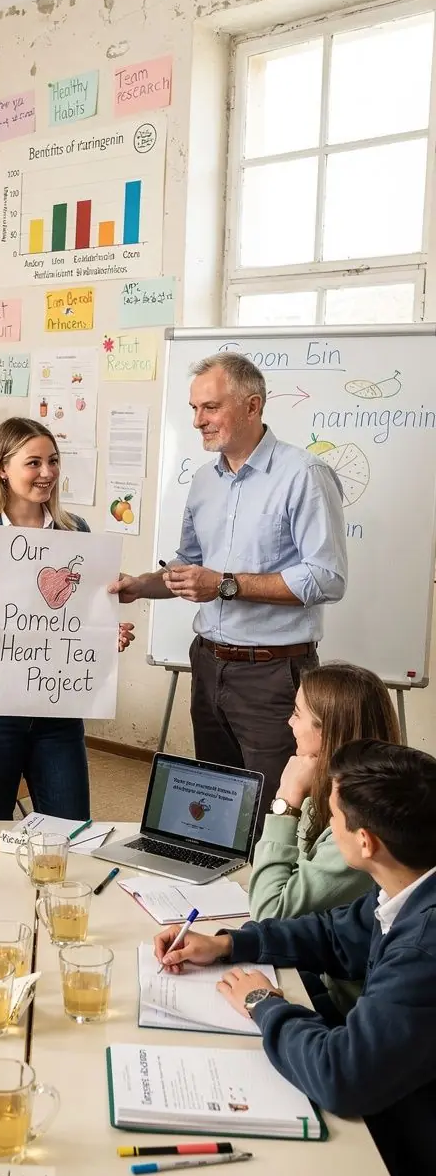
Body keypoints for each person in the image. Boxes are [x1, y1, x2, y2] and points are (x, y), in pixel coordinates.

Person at [109, 739, 436, 1176]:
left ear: (366, 843)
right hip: (398, 1143)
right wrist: (232, 943)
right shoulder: (411, 890)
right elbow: (338, 934)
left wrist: (266, 1004)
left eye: (332, 817)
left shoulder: (424, 950)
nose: (324, 823)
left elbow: (344, 1074)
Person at [111, 353, 347, 832]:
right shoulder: (203, 481)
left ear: (252, 406)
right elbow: (187, 567)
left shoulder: (304, 475)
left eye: (211, 408)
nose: (198, 420)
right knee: (218, 807)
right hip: (208, 664)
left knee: (275, 813)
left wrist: (225, 584)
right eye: (195, 408)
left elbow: (327, 578)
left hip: (273, 674)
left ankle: (271, 903)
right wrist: (140, 586)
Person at [0, 416, 134, 820]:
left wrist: (105, 635)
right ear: (3, 469)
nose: (48, 473)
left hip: (57, 707)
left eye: (54, 461)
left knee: (71, 826)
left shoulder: (76, 531)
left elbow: (84, 614)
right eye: (34, 463)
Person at [249, 662, 401, 1019]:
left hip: (341, 1008)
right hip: (315, 968)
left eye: (297, 714)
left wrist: (286, 800)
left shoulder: (356, 829)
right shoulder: (334, 790)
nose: (289, 723)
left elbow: (271, 913)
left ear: (328, 731)